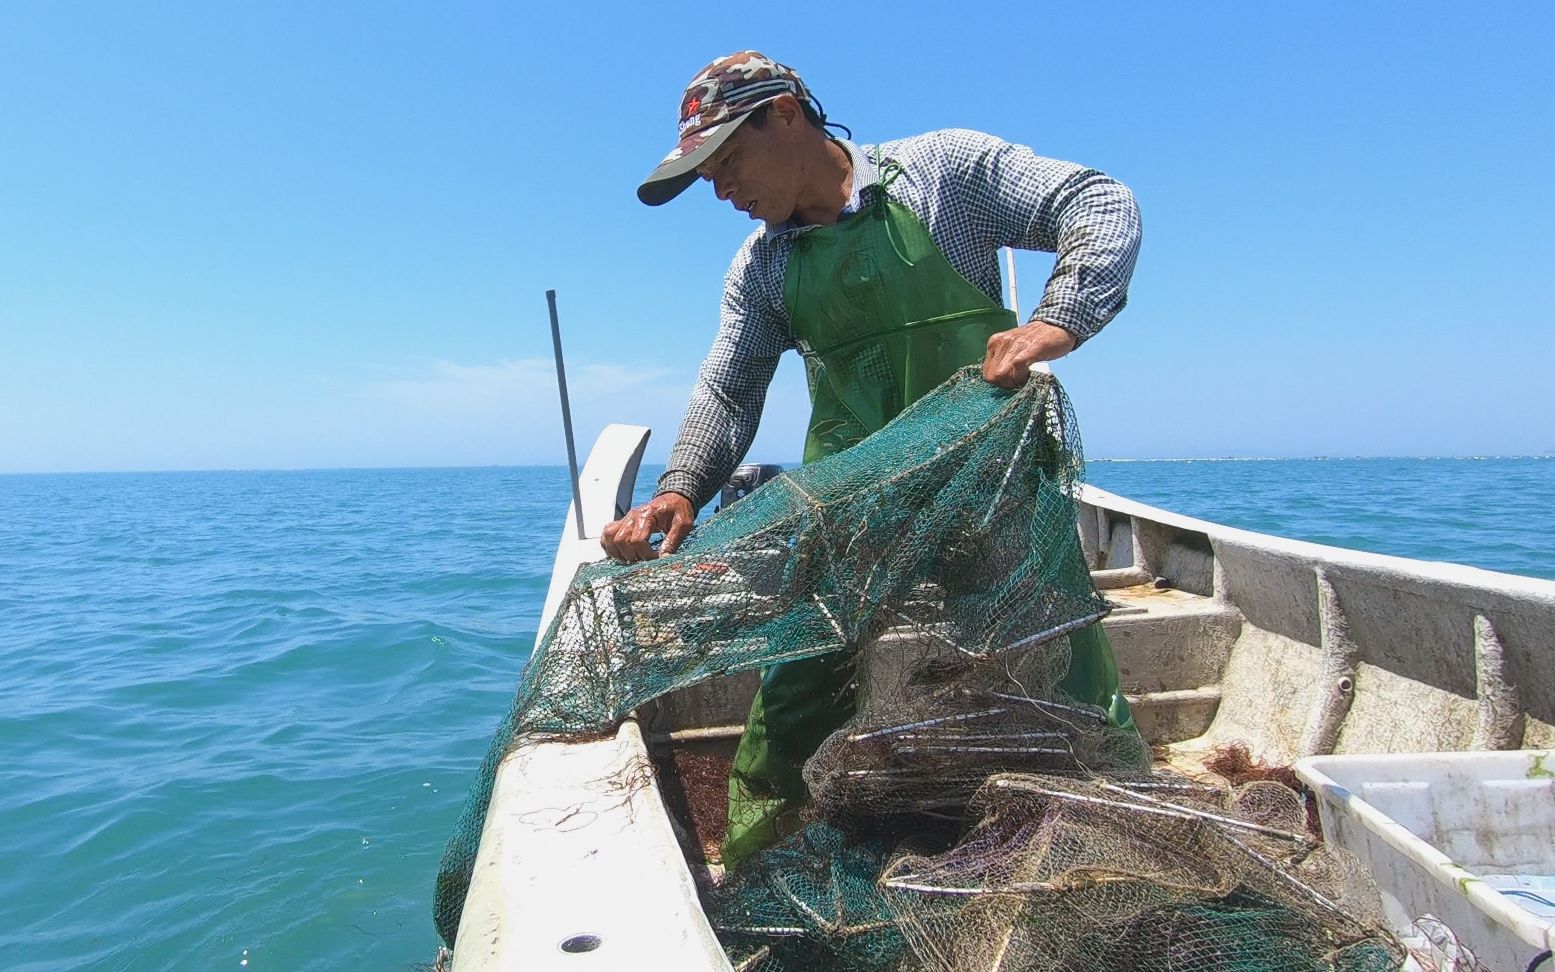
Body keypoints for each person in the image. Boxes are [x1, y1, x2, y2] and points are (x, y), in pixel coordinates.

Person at [601, 51, 1142, 868]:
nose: (720, 190)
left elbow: (1096, 201)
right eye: (706, 176)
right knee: (800, 683)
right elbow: (729, 389)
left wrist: (1058, 316)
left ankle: (1103, 831)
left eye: (727, 161)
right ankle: (770, 862)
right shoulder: (763, 265)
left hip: (989, 484)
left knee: (1054, 664)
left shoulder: (944, 175)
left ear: (786, 114)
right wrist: (680, 488)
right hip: (854, 501)